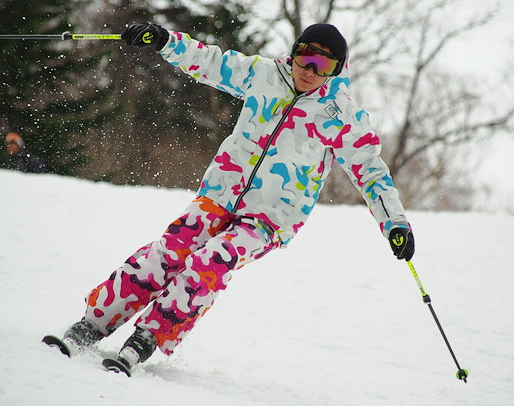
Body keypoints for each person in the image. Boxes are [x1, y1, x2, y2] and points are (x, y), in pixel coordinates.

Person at [53, 22, 415, 374]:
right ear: (293, 54)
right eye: (305, 57)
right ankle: (92, 325)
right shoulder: (263, 75)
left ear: (337, 70)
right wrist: (164, 41)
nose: (310, 70)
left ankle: (147, 338)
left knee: (211, 261)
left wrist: (395, 223)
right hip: (220, 194)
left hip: (269, 218)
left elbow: (371, 171)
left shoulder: (341, 114)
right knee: (168, 253)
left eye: (324, 65)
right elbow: (210, 62)